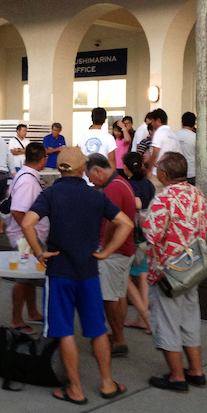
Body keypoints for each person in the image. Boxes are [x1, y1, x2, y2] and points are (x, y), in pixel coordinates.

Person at [21, 147, 132, 404]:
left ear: (60, 169)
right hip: (89, 272)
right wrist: (107, 252)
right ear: (83, 169)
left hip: (60, 272)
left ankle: (76, 389)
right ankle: (107, 383)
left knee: (65, 331)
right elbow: (126, 223)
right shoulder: (96, 196)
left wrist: (39, 251)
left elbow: (27, 223)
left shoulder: (51, 193)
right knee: (97, 330)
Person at [144, 152, 207, 392]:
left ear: (163, 174)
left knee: (167, 322)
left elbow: (152, 235)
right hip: (192, 267)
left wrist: (142, 220)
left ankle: (177, 376)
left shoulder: (163, 198)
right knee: (190, 319)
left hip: (167, 271)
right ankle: (196, 371)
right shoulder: (198, 195)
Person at [84, 153, 136, 357]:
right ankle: (117, 335)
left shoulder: (113, 188)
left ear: (97, 170)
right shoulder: (121, 183)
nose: (90, 182)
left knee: (109, 298)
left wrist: (103, 247)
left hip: (115, 252)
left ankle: (118, 339)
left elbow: (113, 222)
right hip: (124, 249)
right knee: (118, 294)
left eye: (90, 176)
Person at [5, 142, 48, 333]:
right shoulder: (29, 181)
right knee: (23, 278)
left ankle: (32, 312)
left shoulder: (24, 175)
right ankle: (16, 319)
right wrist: (30, 235)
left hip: (27, 236)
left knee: (29, 276)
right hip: (26, 238)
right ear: (43, 159)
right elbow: (17, 210)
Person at [121, 152, 154, 333]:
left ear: (126, 167)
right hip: (147, 234)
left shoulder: (129, 185)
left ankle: (145, 316)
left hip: (134, 236)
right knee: (143, 277)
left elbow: (138, 204)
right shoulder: (148, 183)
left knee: (125, 276)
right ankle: (142, 318)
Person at [143, 109, 181, 192]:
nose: (152, 124)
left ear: (158, 120)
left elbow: (155, 153)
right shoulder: (173, 135)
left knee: (156, 196)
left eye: (153, 121)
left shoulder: (159, 133)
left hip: (158, 173)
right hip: (170, 174)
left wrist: (149, 170)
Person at [175, 112, 197, 184]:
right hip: (192, 172)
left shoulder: (173, 134)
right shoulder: (196, 137)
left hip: (175, 172)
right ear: (194, 124)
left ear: (182, 122)